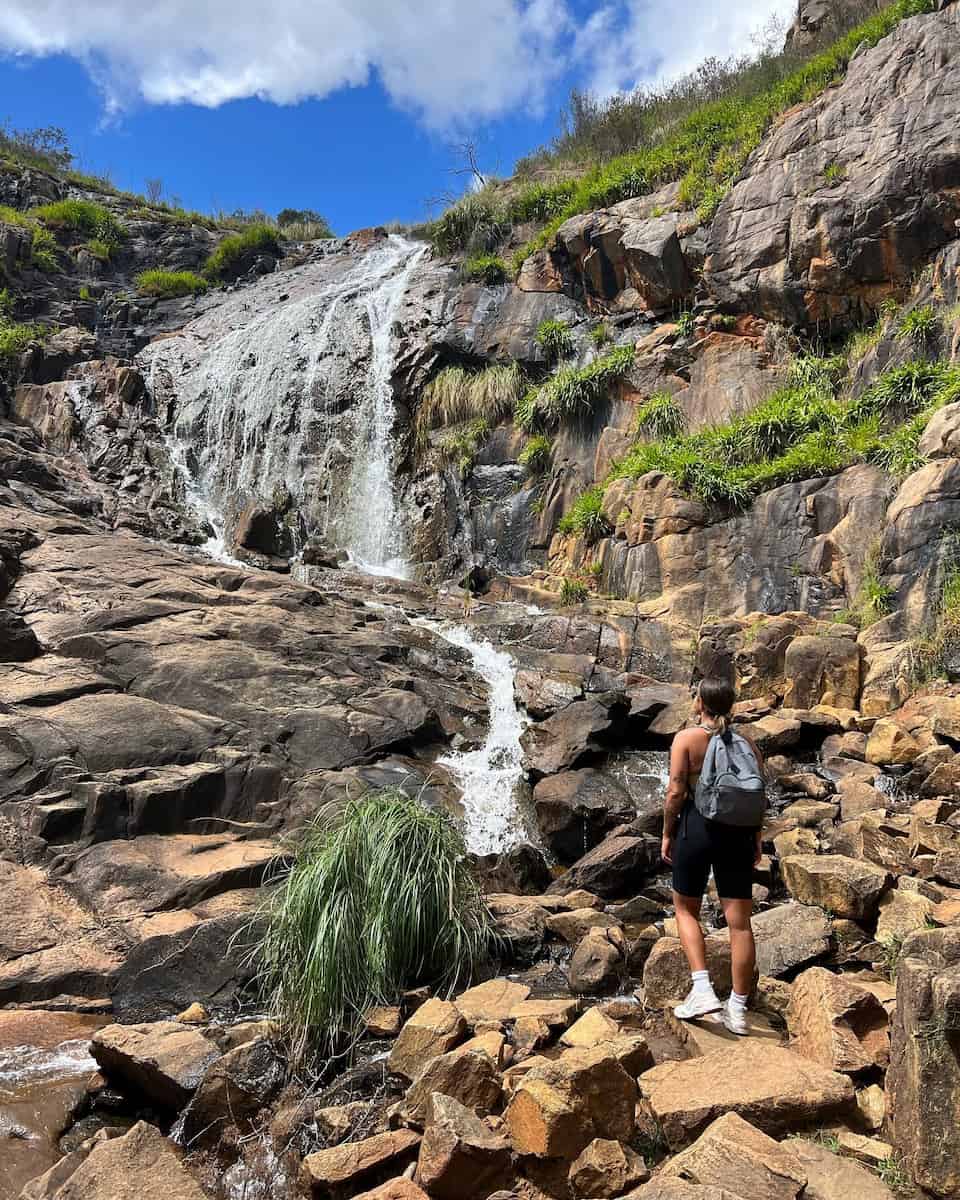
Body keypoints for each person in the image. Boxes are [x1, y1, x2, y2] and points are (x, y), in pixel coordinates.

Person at [660, 676, 764, 1036]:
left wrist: (667, 832)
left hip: (697, 828)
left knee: (685, 908)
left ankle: (702, 989)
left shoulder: (687, 739)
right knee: (740, 924)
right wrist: (756, 838)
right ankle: (737, 1009)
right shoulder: (747, 743)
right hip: (738, 834)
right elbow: (757, 795)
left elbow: (675, 792)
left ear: (700, 703)